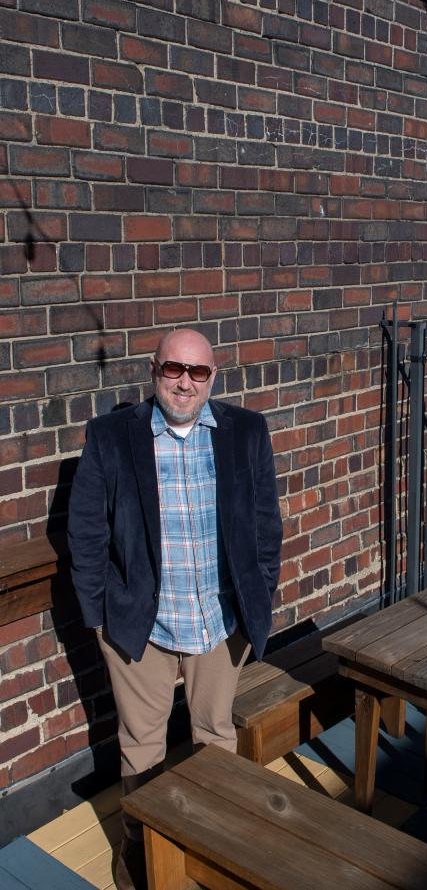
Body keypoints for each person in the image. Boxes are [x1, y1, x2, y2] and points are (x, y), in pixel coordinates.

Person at [68, 328, 283, 890]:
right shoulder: (112, 437)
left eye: (198, 372)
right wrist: (97, 617)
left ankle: (215, 844)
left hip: (220, 623)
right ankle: (140, 851)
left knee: (215, 735)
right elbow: (86, 532)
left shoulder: (246, 432)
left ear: (213, 377)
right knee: (142, 748)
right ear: (153, 370)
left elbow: (266, 526)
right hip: (141, 629)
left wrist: (261, 589)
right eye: (173, 369)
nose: (185, 381)